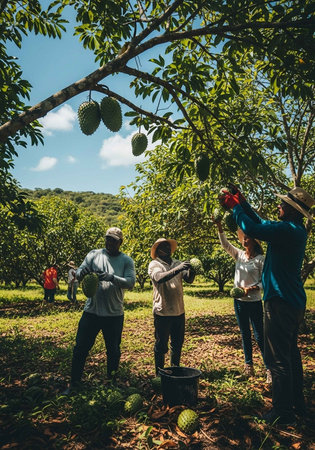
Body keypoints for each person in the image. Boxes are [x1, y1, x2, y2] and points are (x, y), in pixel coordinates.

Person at [221, 186, 314, 425]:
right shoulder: (294, 230)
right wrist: (243, 201)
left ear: (293, 211)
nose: (278, 206)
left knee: (277, 360)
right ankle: (297, 405)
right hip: (293, 302)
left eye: (283, 205)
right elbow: (261, 221)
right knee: (291, 355)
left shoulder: (287, 230)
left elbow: (252, 228)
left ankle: (282, 413)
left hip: (280, 303)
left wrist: (234, 207)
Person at [63, 227, 136, 394]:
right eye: (108, 239)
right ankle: (74, 384)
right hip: (91, 312)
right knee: (80, 348)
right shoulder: (94, 254)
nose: (110, 242)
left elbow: (130, 282)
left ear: (120, 242)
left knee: (113, 351)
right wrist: (82, 272)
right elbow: (77, 273)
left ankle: (111, 383)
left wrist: (111, 277)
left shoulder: (126, 261)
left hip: (114, 314)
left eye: (113, 240)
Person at [214, 218, 270, 381]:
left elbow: (264, 282)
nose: (244, 240)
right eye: (243, 237)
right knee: (245, 334)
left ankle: (269, 369)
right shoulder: (239, 255)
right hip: (239, 303)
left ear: (254, 240)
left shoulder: (261, 259)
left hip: (254, 302)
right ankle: (249, 367)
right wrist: (219, 226)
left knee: (259, 335)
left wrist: (250, 289)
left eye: (247, 237)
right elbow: (225, 245)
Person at [148, 238, 196, 376]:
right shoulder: (154, 264)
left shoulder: (177, 263)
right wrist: (178, 269)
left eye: (168, 247)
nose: (167, 249)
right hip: (162, 312)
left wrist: (193, 270)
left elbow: (189, 279)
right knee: (161, 345)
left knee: (177, 344)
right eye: (163, 247)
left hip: (179, 311)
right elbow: (159, 278)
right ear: (157, 251)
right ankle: (159, 373)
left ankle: (174, 370)